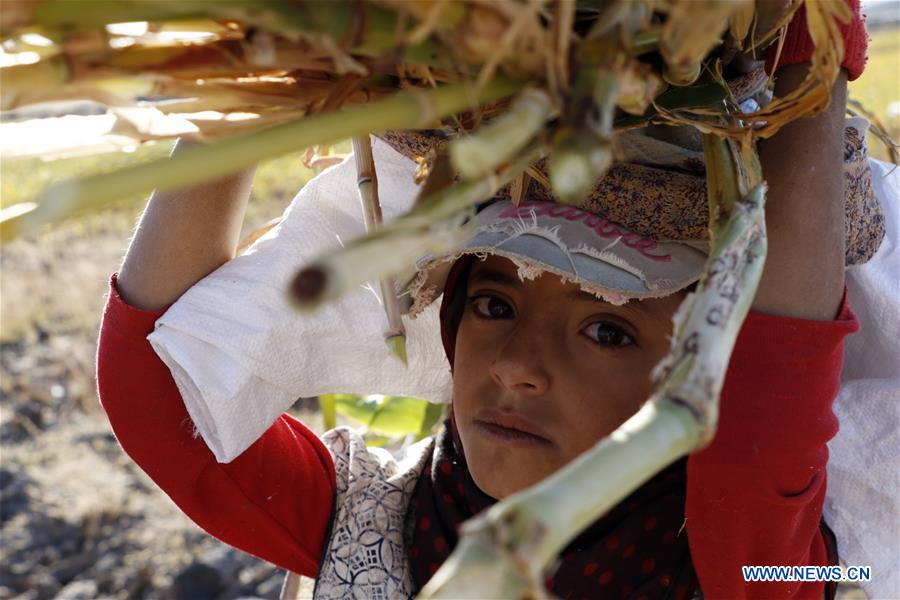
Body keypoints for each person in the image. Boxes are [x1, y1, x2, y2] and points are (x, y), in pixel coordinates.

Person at [96, 3, 870, 598]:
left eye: (607, 330)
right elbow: (167, 391)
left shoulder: (754, 573)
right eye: (494, 305)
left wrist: (809, 55)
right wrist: (253, 69)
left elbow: (771, 421)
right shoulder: (382, 527)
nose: (516, 369)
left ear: (698, 371)